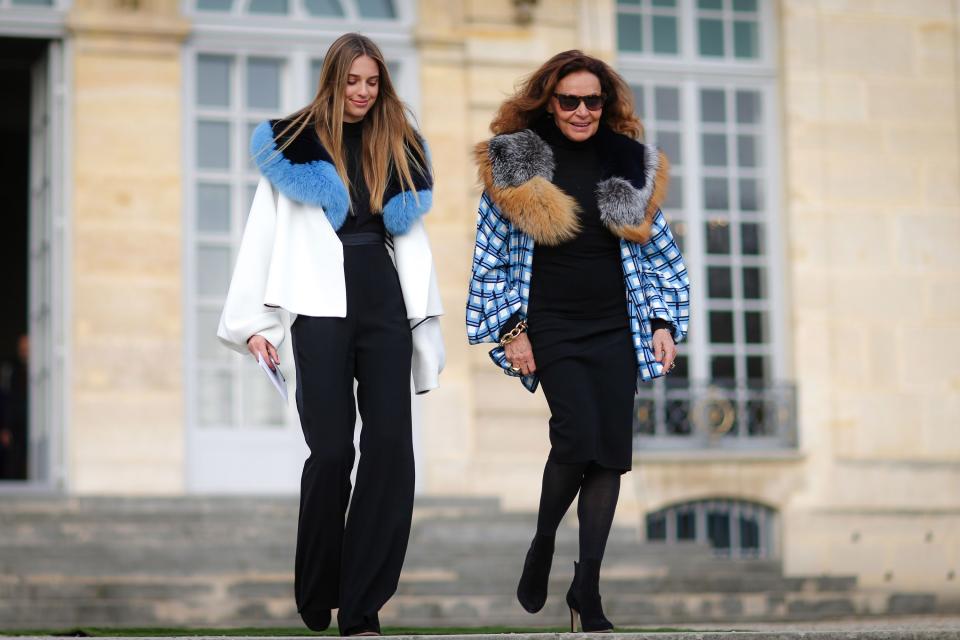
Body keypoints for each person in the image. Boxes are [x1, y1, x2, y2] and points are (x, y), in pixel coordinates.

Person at [217, 33, 444, 636]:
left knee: (392, 448)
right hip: (317, 303)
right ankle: (318, 585)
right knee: (333, 452)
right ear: (333, 79)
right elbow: (262, 232)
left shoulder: (401, 146)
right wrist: (254, 326)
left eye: (373, 82)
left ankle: (362, 605)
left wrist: (425, 321)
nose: (363, 93)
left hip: (383, 300)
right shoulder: (292, 144)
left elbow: (412, 245)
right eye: (353, 81)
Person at [466, 50, 690, 632]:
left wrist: (663, 323)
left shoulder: (628, 163)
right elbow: (489, 260)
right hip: (551, 324)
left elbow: (662, 255)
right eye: (570, 100)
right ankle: (543, 542)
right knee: (575, 434)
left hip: (617, 323)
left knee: (610, 452)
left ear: (606, 104)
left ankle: (586, 590)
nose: (583, 111)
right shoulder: (516, 162)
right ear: (550, 101)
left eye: (594, 100)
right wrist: (513, 331)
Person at [0, 333, 28, 481]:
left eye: (27, 346)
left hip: (32, 421)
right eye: (22, 346)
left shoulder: (40, 370)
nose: (25, 349)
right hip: (13, 421)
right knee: (12, 458)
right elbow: (5, 397)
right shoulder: (11, 369)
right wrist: (4, 426)